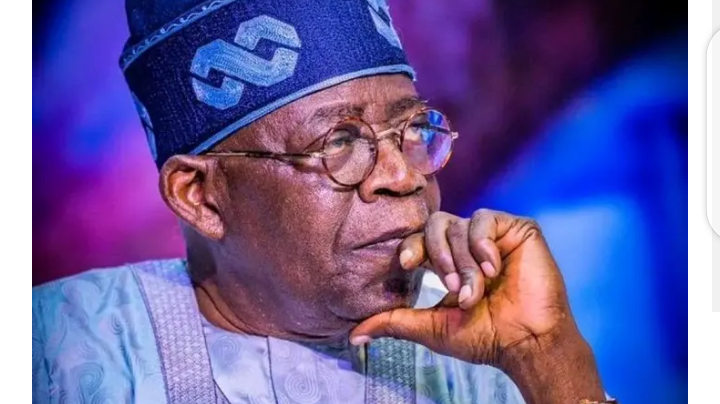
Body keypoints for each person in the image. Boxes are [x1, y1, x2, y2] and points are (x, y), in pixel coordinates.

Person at [32, 0, 616, 403]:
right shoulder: (52, 349)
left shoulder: (484, 340)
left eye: (413, 129)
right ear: (200, 195)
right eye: (339, 142)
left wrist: (547, 358)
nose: (402, 176)